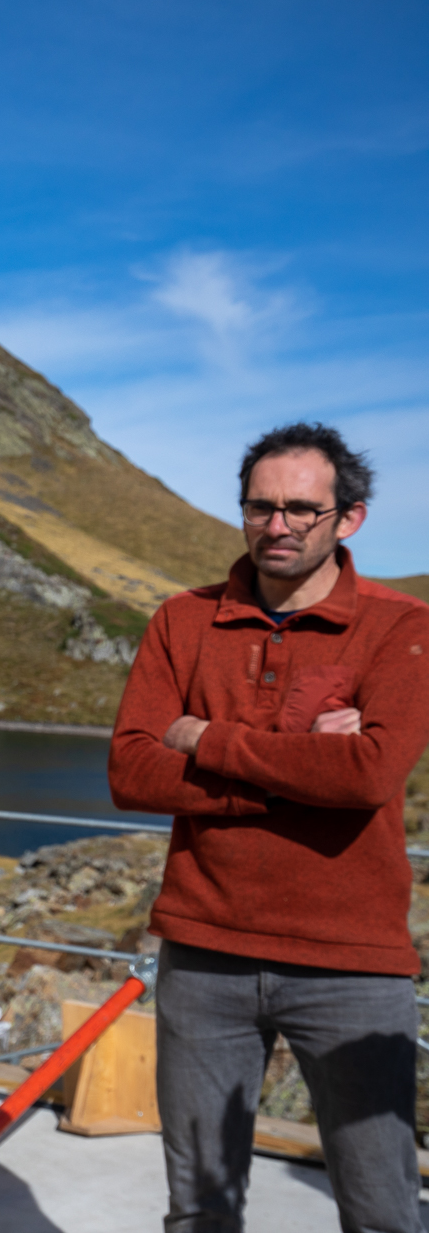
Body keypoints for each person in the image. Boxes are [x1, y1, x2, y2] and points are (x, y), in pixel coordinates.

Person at [108, 422, 429, 1233]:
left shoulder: (401, 627)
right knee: (199, 1210)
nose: (277, 526)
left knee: (382, 1207)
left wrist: (208, 740)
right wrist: (297, 770)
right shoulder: (183, 622)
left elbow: (369, 776)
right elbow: (132, 772)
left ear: (348, 518)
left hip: (351, 966)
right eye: (260, 506)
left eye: (301, 510)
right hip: (203, 954)